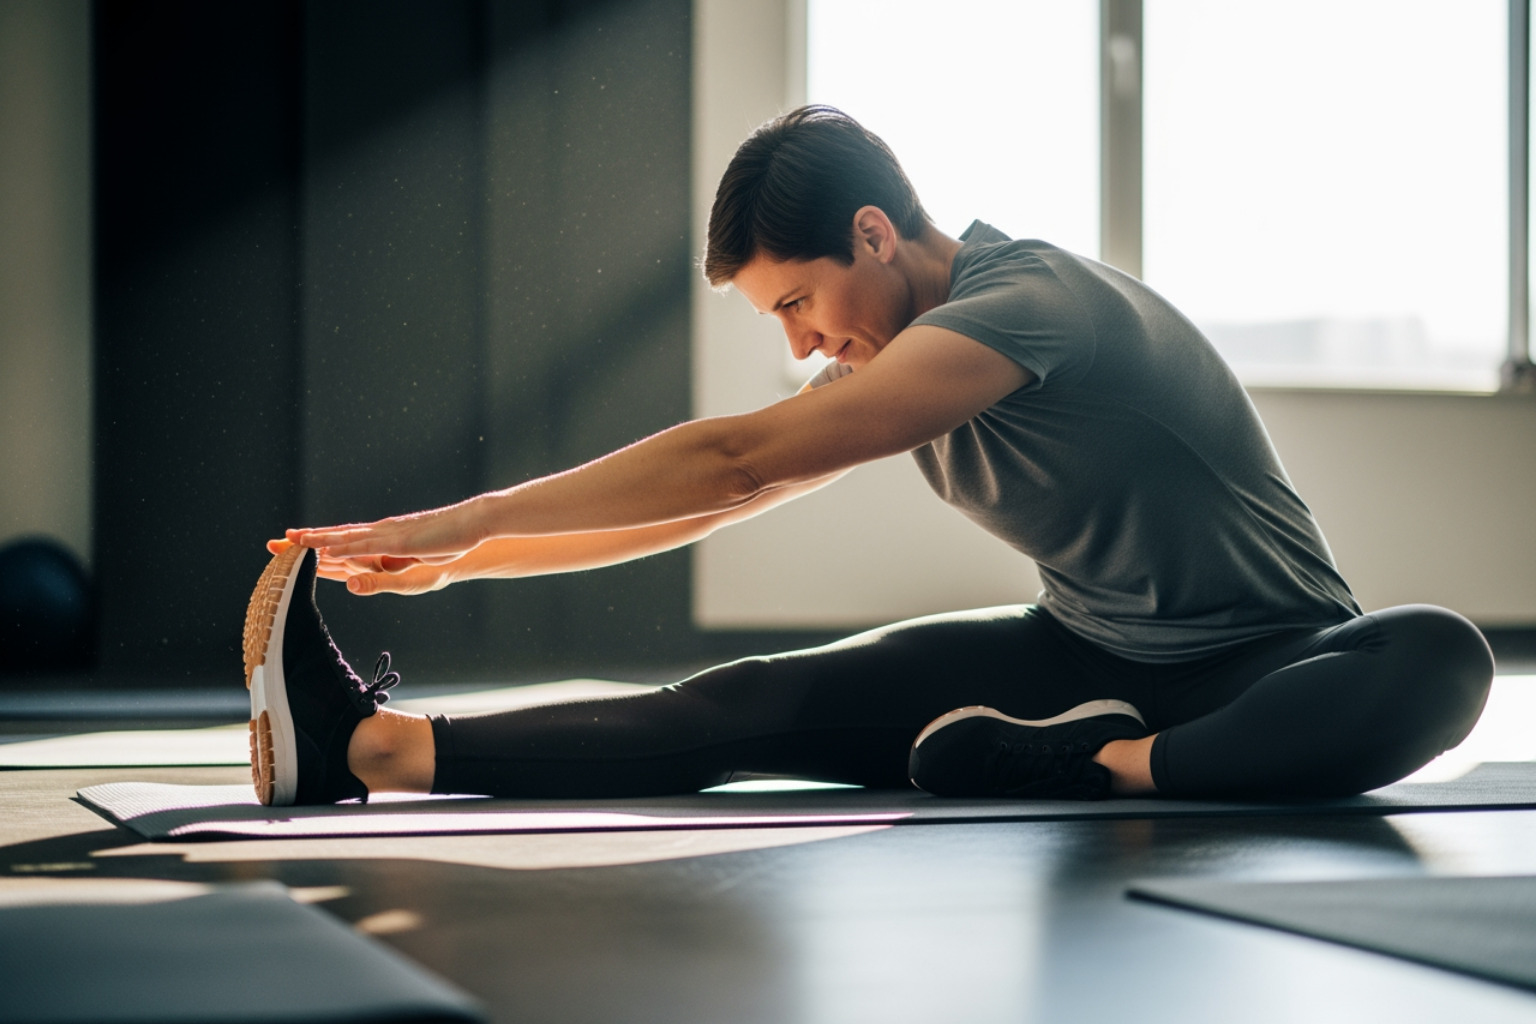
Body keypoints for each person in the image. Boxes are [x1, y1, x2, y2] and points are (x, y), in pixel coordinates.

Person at [243, 105, 1494, 808]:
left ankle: (1105, 763)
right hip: (1086, 656)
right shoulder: (893, 356)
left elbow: (735, 456)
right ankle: (370, 747)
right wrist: (475, 563)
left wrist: (462, 517)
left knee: (1440, 652)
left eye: (798, 303)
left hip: (1268, 667)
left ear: (874, 233)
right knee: (750, 700)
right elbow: (722, 500)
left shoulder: (1025, 305)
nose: (802, 342)